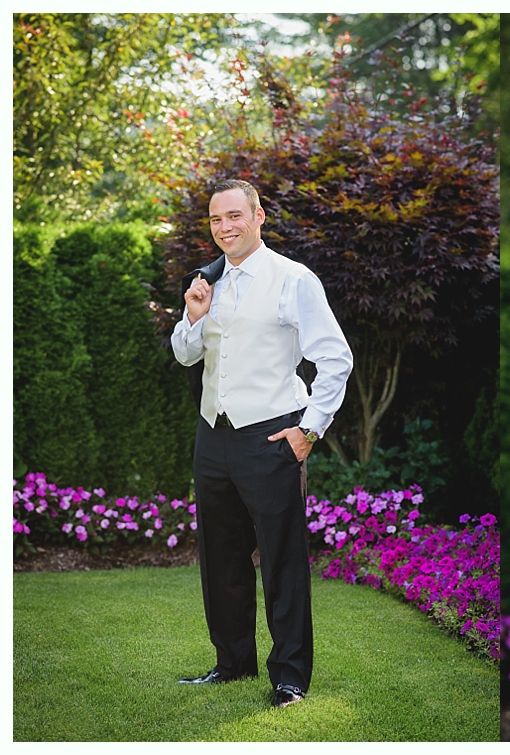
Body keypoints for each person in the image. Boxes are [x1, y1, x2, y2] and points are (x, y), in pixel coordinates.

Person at [171, 179, 353, 709]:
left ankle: (290, 678)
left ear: (258, 216)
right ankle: (232, 663)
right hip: (213, 437)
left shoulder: (292, 280)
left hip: (272, 437)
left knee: (282, 561)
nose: (224, 227)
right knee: (220, 558)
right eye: (215, 219)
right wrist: (193, 315)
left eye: (234, 216)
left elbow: (335, 358)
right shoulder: (208, 281)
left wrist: (310, 428)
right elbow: (184, 355)